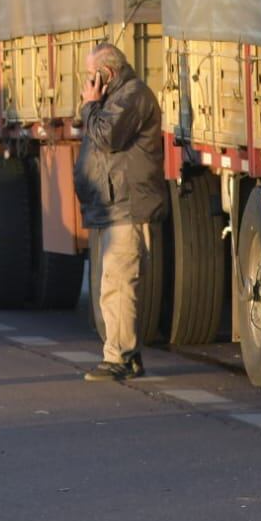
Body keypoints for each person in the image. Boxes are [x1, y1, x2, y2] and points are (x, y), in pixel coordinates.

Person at [74, 42, 167, 381]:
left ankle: (120, 357)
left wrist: (90, 105)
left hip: (127, 206)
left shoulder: (132, 97)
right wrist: (91, 106)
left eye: (90, 74)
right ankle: (125, 353)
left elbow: (107, 136)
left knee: (119, 283)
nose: (86, 82)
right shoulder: (112, 99)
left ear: (106, 73)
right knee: (109, 285)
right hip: (110, 207)